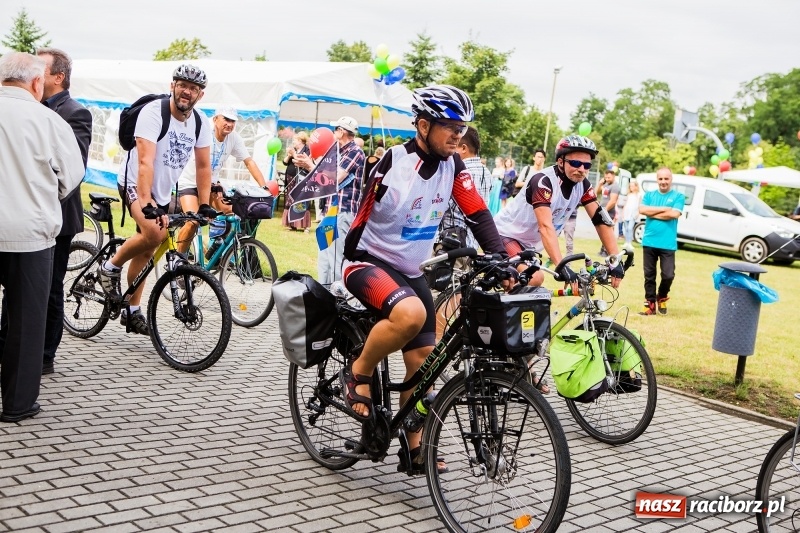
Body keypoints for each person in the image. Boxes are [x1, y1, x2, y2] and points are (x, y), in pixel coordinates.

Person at [340, 85, 508, 472]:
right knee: (411, 314)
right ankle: (358, 370)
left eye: (462, 128)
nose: (457, 135)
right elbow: (363, 210)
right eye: (449, 127)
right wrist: (351, 259)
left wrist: (502, 258)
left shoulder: (454, 166)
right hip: (367, 262)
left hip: (411, 270)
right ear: (422, 125)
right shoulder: (392, 161)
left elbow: (478, 213)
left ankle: (414, 451)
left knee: (423, 367)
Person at [98, 64, 214, 334]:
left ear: (200, 95)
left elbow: (203, 166)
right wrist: (147, 201)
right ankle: (109, 266)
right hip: (135, 184)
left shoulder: (200, 122)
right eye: (182, 85)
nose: (187, 91)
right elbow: (145, 162)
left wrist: (205, 204)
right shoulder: (154, 113)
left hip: (161, 190)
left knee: (149, 249)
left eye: (193, 88)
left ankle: (132, 310)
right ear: (172, 85)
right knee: (154, 233)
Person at [0, 52, 84, 422]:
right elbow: (71, 177)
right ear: (37, 83)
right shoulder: (48, 121)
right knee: (26, 321)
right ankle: (17, 404)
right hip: (30, 236)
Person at [494, 135, 625, 289]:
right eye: (575, 163)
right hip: (506, 235)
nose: (582, 169)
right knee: (535, 278)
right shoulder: (543, 181)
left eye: (587, 165)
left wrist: (615, 259)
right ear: (560, 161)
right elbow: (545, 226)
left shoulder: (583, 185)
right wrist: (561, 265)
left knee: (531, 296)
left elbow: (599, 219)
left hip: (528, 245)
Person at [38, 48, 93, 375]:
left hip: (58, 216)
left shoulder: (75, 112)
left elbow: (73, 169)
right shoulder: (30, 107)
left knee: (50, 287)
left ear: (58, 76)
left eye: (40, 68)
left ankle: (45, 356)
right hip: (30, 215)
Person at [176, 106, 270, 249]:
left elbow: (249, 162)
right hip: (189, 182)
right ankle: (179, 259)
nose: (230, 124)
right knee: (193, 221)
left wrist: (264, 188)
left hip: (211, 184)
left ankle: (218, 249)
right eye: (226, 119)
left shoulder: (234, 138)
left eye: (233, 121)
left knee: (234, 212)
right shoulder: (203, 130)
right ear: (215, 119)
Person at [294, 116, 365, 285]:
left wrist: (310, 166)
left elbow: (336, 178)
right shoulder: (337, 151)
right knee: (324, 260)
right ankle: (324, 299)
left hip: (342, 212)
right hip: (331, 212)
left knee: (335, 261)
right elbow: (323, 179)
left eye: (335, 130)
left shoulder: (355, 152)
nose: (333, 133)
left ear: (341, 132)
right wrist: (310, 164)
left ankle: (338, 303)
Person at [436, 126, 493, 256]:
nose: (451, 150)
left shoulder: (459, 171)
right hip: (473, 241)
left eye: (454, 145)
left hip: (451, 241)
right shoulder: (486, 172)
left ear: (463, 148)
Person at [639, 167, 684, 316]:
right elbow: (642, 210)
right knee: (649, 275)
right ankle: (650, 305)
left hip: (668, 243)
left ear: (671, 180)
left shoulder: (679, 196)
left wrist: (652, 212)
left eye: (666, 179)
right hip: (649, 241)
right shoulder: (649, 195)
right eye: (660, 179)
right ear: (657, 179)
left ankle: (662, 296)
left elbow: (674, 214)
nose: (663, 182)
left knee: (668, 275)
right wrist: (665, 209)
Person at [281, 131, 311, 231]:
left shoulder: (307, 150)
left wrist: (294, 154)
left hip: (302, 178)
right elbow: (285, 162)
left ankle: (304, 225)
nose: (293, 142)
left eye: (295, 140)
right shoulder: (293, 150)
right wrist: (289, 155)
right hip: (290, 176)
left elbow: (301, 162)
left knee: (301, 198)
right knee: (290, 198)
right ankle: (291, 224)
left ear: (300, 141)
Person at [595, 170, 620, 257]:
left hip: (609, 212)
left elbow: (613, 201)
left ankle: (608, 251)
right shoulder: (606, 185)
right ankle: (603, 250)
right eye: (606, 177)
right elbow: (595, 193)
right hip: (603, 211)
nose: (607, 179)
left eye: (609, 177)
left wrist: (604, 211)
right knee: (603, 231)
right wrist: (599, 184)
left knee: (608, 231)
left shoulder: (615, 186)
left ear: (613, 176)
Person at [621, 180, 641, 248]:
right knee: (626, 228)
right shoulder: (629, 195)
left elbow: (639, 205)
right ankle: (626, 242)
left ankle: (629, 243)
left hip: (633, 213)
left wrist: (638, 213)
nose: (631, 187)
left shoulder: (638, 195)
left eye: (632, 186)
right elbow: (625, 204)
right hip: (627, 212)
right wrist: (623, 213)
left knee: (630, 228)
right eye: (630, 186)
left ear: (636, 187)